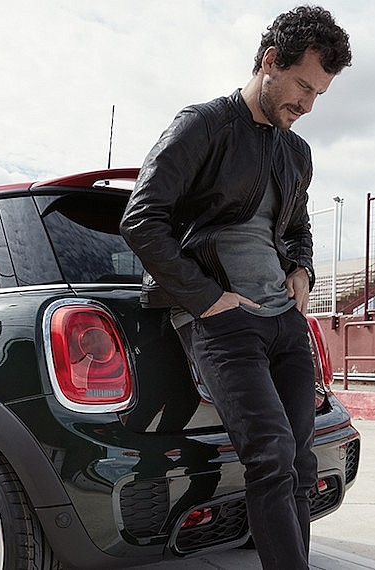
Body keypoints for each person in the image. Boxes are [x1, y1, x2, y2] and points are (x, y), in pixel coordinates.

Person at [119, 6, 351, 569]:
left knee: (299, 465)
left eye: (319, 93)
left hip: (284, 321)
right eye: (303, 86)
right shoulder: (204, 125)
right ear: (270, 62)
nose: (308, 105)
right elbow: (141, 219)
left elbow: (298, 229)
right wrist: (208, 301)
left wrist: (302, 271)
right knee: (271, 456)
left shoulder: (296, 151)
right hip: (224, 322)